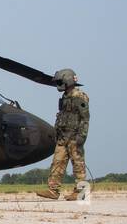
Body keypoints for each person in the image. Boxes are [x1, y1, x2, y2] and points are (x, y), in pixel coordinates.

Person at [37, 68, 89, 201]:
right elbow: (61, 116)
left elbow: (85, 118)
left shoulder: (79, 96)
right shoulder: (65, 96)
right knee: (57, 162)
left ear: (68, 80)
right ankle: (53, 190)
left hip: (74, 137)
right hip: (63, 137)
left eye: (60, 81)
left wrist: (81, 136)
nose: (58, 84)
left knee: (78, 164)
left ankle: (81, 192)